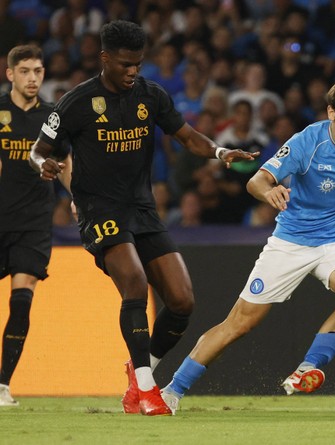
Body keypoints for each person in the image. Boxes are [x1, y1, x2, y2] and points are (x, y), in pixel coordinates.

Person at [29, 20, 257, 416]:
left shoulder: (151, 95)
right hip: (99, 209)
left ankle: (141, 371)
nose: (133, 71)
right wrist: (44, 164)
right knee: (133, 283)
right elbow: (38, 150)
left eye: (138, 63)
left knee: (183, 301)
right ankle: (148, 391)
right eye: (125, 64)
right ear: (104, 59)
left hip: (142, 209)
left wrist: (220, 153)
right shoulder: (77, 102)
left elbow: (186, 136)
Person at [160, 75, 335, 414]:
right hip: (292, 241)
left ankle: (308, 368)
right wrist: (269, 191)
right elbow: (257, 179)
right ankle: (172, 391)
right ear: (332, 113)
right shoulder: (306, 143)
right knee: (239, 323)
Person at [0, 45, 71, 407]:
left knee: (22, 301)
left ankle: (2, 386)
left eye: (38, 71)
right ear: (10, 73)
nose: (32, 78)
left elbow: (65, 160)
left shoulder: (53, 117)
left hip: (33, 223)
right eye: (25, 71)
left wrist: (78, 197)